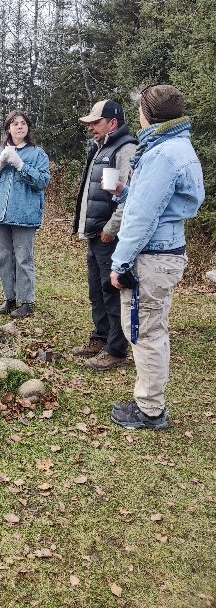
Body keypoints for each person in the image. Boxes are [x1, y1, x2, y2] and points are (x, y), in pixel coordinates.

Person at [107, 84, 204, 429]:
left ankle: (149, 409)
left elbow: (142, 218)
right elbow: (163, 203)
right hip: (167, 251)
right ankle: (150, 400)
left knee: (144, 331)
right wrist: (126, 193)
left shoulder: (161, 154)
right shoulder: (179, 146)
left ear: (147, 113)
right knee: (154, 327)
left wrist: (119, 262)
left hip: (151, 256)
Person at [71, 100, 138, 370]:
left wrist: (111, 229)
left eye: (95, 123)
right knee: (96, 290)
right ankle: (100, 336)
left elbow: (129, 196)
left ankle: (116, 349)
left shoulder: (125, 148)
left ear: (112, 122)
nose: (90, 128)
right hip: (94, 233)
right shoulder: (100, 148)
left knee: (111, 291)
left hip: (109, 235)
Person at [0, 110, 50, 318]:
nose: (19, 127)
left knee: (23, 259)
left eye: (23, 123)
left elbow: (42, 181)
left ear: (27, 128)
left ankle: (26, 301)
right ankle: (9, 299)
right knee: (4, 258)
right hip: (0, 215)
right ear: (8, 129)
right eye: (14, 124)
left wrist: (21, 165)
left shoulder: (37, 154)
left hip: (24, 215)